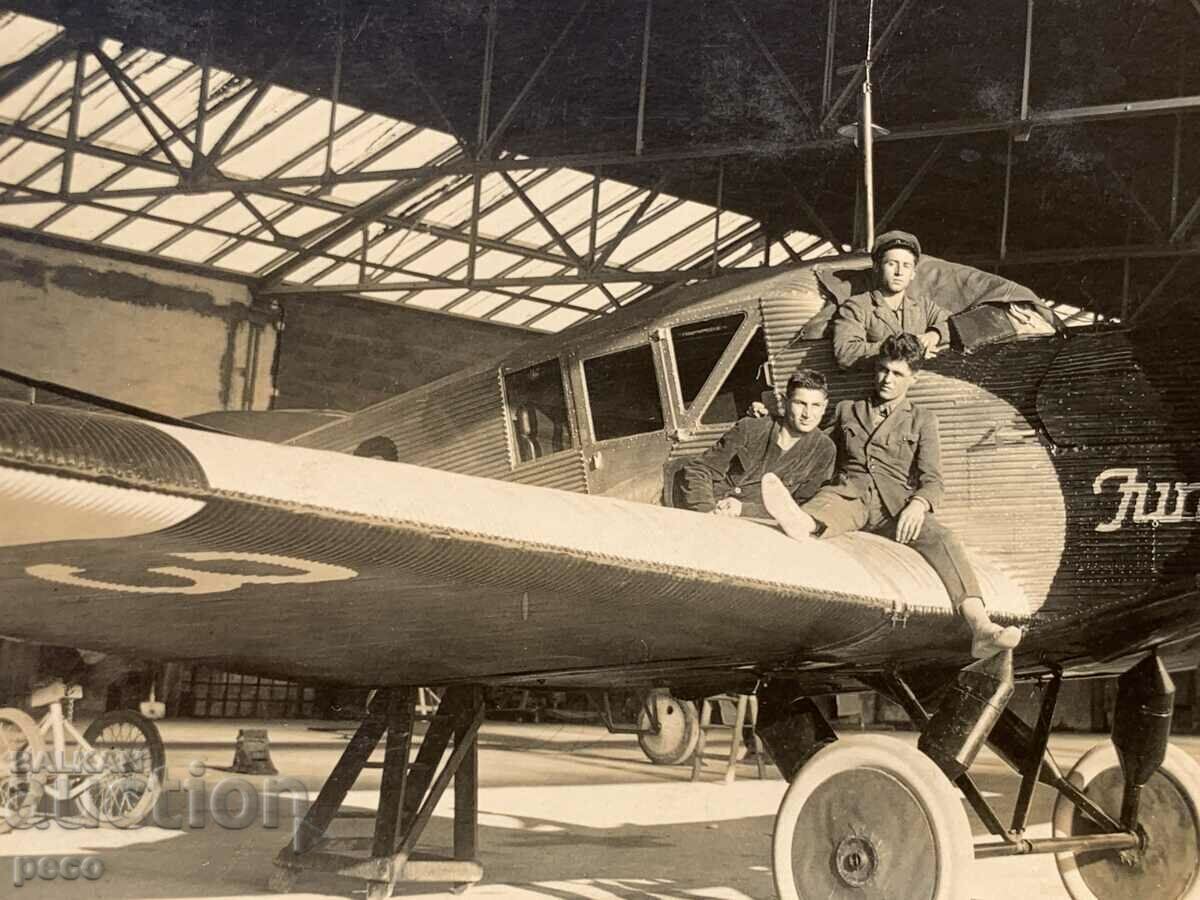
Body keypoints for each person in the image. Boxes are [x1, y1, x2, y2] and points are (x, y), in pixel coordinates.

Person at [761, 334, 1021, 659]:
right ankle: (801, 521)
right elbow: (811, 442)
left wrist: (919, 504)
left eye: (897, 374)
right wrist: (774, 419)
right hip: (849, 495)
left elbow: (933, 480)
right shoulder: (847, 410)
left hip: (896, 510)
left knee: (944, 539)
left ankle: (981, 627)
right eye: (883, 370)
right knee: (815, 516)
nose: (887, 379)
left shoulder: (923, 420)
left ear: (913, 378)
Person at [680, 369, 836, 519]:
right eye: (800, 403)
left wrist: (744, 509)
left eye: (815, 405)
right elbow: (701, 469)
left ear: (824, 407)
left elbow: (799, 506)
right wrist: (706, 510)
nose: (807, 414)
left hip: (754, 522)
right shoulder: (751, 427)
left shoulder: (823, 449)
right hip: (706, 508)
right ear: (785, 402)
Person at [832, 230, 950, 370]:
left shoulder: (923, 306)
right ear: (876, 267)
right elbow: (845, 353)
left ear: (912, 274)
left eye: (906, 266)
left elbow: (953, 323)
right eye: (892, 264)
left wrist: (935, 334)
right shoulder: (856, 306)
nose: (899, 272)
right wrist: (905, 348)